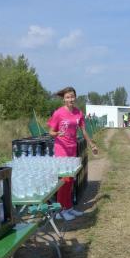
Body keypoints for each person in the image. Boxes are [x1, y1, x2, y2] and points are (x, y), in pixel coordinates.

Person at [48, 86, 99, 221]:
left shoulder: (78, 113)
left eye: (72, 96)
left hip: (72, 148)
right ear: (64, 99)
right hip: (61, 149)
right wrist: (57, 133)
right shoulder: (58, 113)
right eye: (67, 97)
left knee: (71, 180)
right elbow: (51, 132)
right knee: (65, 180)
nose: (70, 99)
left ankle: (69, 208)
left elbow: (84, 131)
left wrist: (92, 145)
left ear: (75, 97)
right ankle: (60, 211)